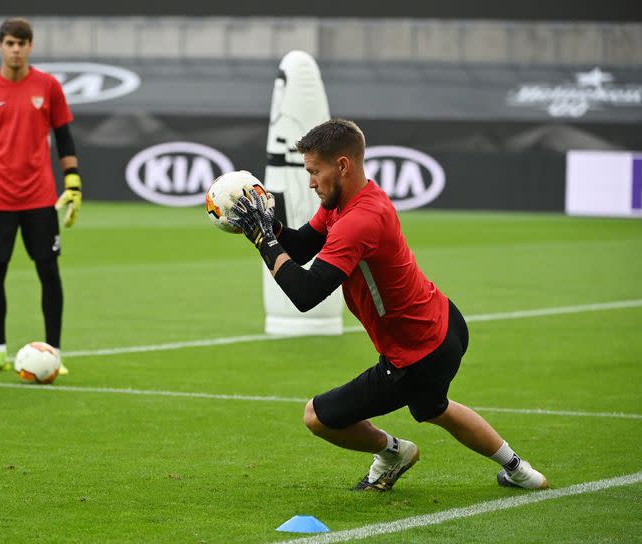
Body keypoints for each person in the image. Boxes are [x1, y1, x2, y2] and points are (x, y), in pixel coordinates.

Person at [229, 119, 547, 491]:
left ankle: (394, 451)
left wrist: (263, 241)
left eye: (315, 172)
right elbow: (300, 247)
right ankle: (520, 470)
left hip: (414, 353)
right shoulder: (351, 202)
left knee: (317, 416)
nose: (311, 182)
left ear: (343, 165)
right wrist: (271, 228)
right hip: (444, 325)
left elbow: (306, 293)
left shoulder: (358, 221)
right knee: (433, 408)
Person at [0, 17, 83, 375]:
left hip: (40, 197)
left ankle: (53, 352)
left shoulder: (48, 86)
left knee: (49, 272)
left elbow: (64, 136)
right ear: (0, 45)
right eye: (10, 43)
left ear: (30, 46)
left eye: (22, 43)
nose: (16, 49)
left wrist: (72, 183)